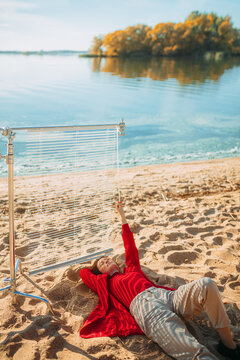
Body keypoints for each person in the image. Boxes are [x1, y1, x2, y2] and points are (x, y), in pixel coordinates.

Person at [79, 202, 240, 360]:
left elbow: (130, 246)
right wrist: (98, 272)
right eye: (102, 263)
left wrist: (123, 216)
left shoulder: (132, 269)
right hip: (147, 309)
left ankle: (228, 345)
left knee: (207, 284)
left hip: (167, 296)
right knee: (194, 351)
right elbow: (83, 273)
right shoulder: (106, 284)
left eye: (107, 258)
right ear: (100, 273)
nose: (106, 261)